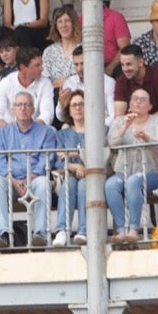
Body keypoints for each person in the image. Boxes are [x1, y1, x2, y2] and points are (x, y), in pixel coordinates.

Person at [0, 91, 56, 249]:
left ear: (33, 109)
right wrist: (13, 180)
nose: (23, 108)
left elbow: (47, 159)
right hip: (10, 182)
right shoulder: (2, 133)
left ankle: (40, 233)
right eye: (19, 105)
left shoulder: (46, 132)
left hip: (34, 179)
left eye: (27, 104)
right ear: (13, 109)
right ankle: (3, 233)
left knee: (44, 182)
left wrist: (30, 178)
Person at [106, 89, 158, 247]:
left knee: (133, 181)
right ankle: (121, 230)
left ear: (150, 106)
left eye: (143, 99)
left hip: (152, 172)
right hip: (123, 170)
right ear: (130, 104)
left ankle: (133, 230)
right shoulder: (119, 121)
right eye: (135, 99)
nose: (138, 102)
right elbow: (112, 144)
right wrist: (125, 126)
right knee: (111, 184)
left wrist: (147, 139)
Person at [53, 91, 91, 247]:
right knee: (70, 183)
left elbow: (100, 155)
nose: (78, 108)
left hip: (92, 176)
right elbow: (57, 161)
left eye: (82, 104)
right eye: (74, 105)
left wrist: (73, 155)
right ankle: (62, 230)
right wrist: (76, 165)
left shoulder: (97, 130)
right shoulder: (62, 134)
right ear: (68, 110)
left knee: (83, 184)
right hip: (67, 176)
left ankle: (84, 230)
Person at [114, 44, 158, 119]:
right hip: (132, 125)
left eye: (129, 64)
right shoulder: (121, 81)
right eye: (122, 65)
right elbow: (119, 116)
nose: (125, 69)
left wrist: (143, 122)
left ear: (140, 62)